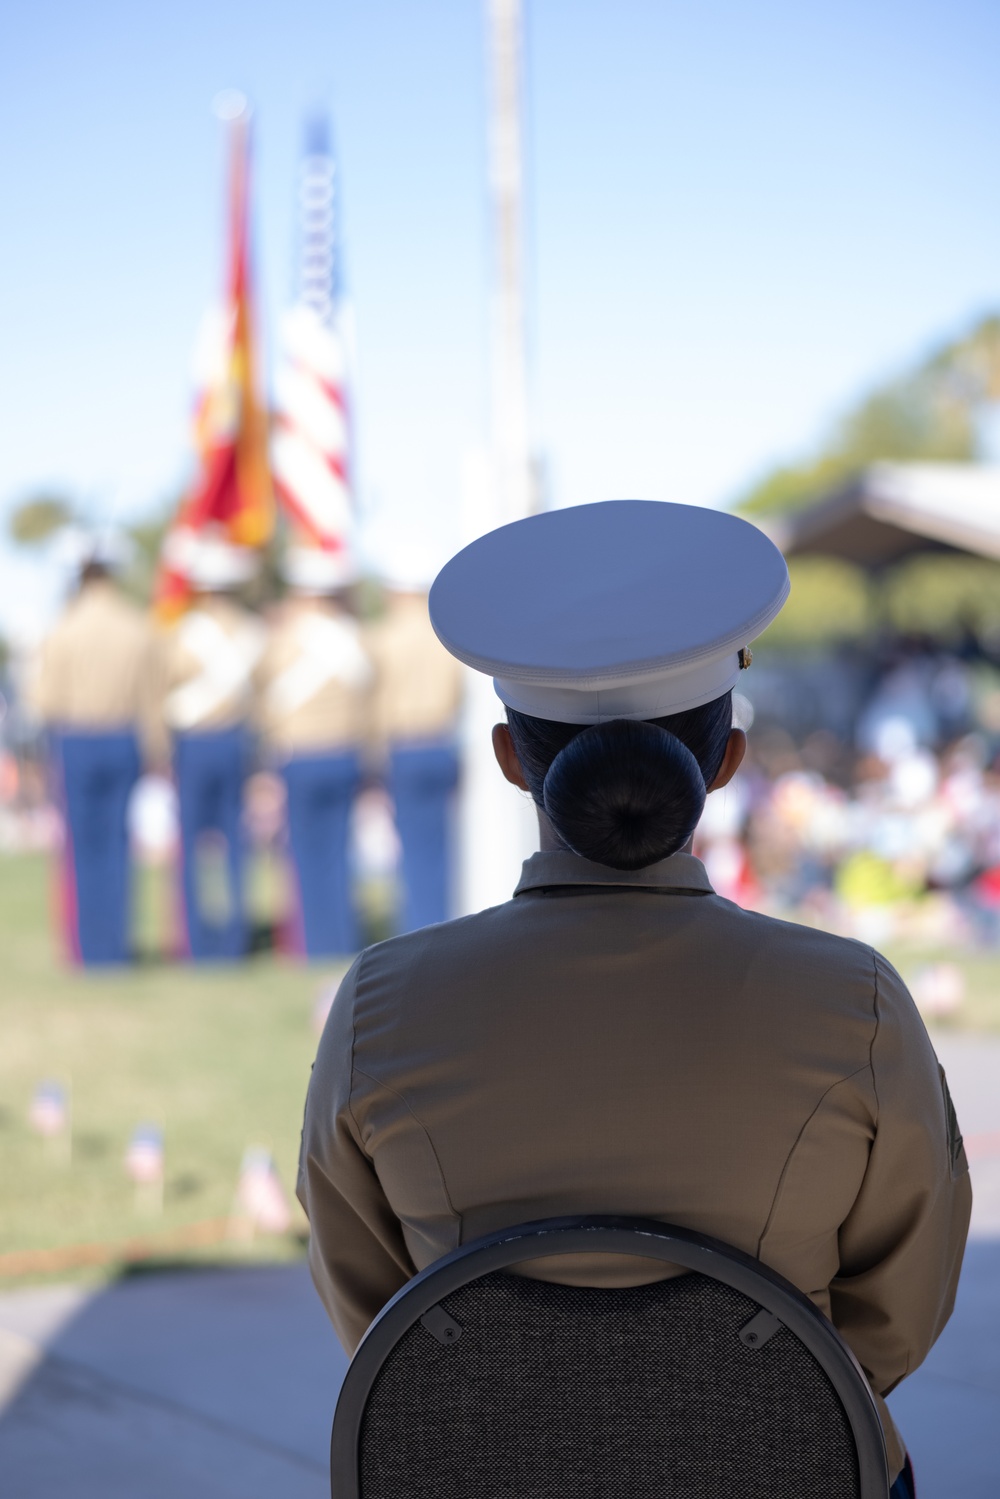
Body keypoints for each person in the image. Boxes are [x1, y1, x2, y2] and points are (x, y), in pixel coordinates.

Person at [298, 500, 970, 1497]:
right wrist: (753, 1404)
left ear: (510, 758)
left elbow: (372, 1303)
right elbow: (900, 1305)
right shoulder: (850, 998)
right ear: (725, 761)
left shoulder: (381, 1004)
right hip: (789, 1468)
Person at [33, 534, 163, 965]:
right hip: (123, 739)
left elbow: (45, 701)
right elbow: (151, 701)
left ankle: (88, 950)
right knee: (117, 846)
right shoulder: (137, 626)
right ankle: (115, 948)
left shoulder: (62, 628)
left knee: (81, 847)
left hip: (77, 740)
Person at [255, 546, 372, 958]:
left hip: (299, 755)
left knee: (303, 853)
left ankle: (309, 943)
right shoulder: (355, 637)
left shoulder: (283, 638)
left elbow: (266, 699)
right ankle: (341, 938)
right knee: (340, 852)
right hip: (343, 752)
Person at [160, 534, 264, 961]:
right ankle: (235, 941)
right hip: (237, 741)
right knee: (236, 845)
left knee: (189, 846)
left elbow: (163, 691)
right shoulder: (253, 632)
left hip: (194, 744)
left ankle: (198, 944)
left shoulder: (182, 633)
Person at [366, 562, 463, 931]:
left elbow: (373, 702)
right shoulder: (444, 634)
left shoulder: (382, 636)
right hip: (439, 741)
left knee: (408, 846)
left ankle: (415, 925)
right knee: (441, 846)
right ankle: (442, 922)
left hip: (403, 746)